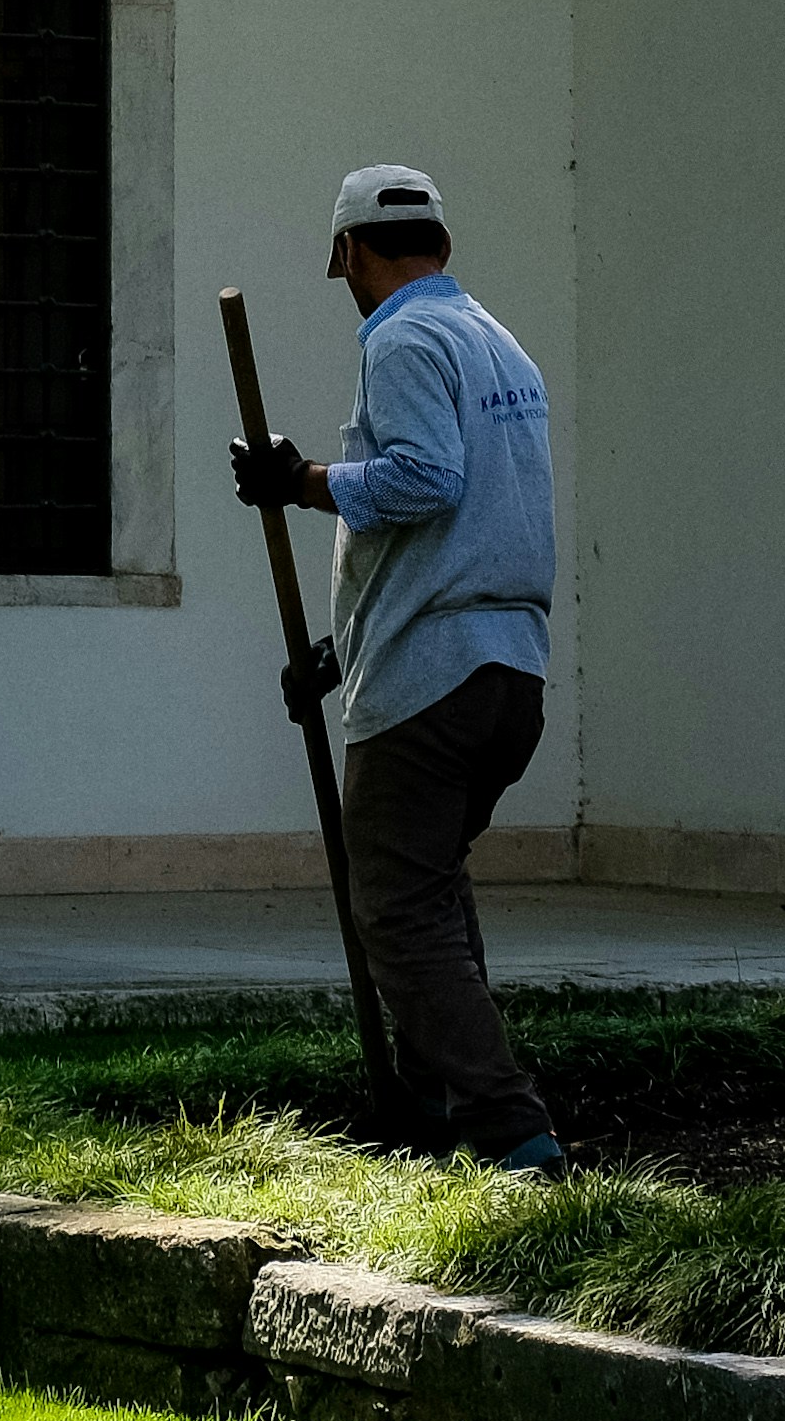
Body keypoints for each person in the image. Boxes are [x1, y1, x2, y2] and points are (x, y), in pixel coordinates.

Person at [229, 163, 564, 1169]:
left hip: (432, 683)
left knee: (398, 906)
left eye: (343, 264)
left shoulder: (403, 337)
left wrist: (302, 480)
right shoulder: (501, 344)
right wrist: (337, 652)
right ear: (444, 246)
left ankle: (511, 1132)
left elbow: (426, 480)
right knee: (432, 889)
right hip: (508, 672)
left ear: (348, 253)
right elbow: (467, 535)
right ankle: (434, 1105)